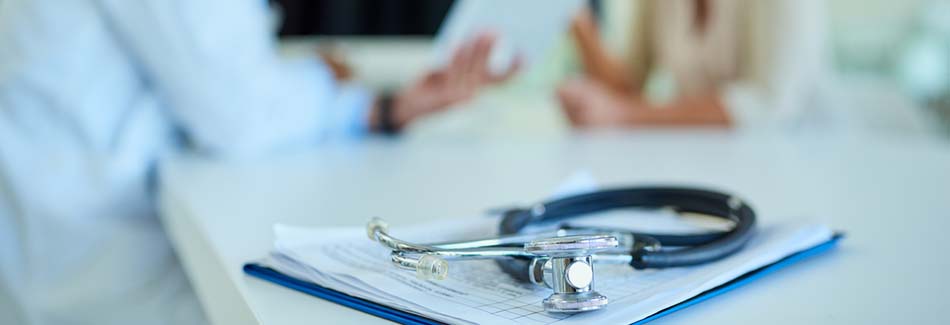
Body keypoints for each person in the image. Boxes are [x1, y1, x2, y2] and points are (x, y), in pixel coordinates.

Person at [0, 0, 517, 324]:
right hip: (104, 274)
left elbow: (229, 84)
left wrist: (381, 108)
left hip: (68, 247)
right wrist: (364, 103)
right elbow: (239, 114)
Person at [558, 0, 829, 129]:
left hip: (803, 159)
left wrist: (623, 115)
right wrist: (577, 20)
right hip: (706, 158)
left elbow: (767, 104)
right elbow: (628, 84)